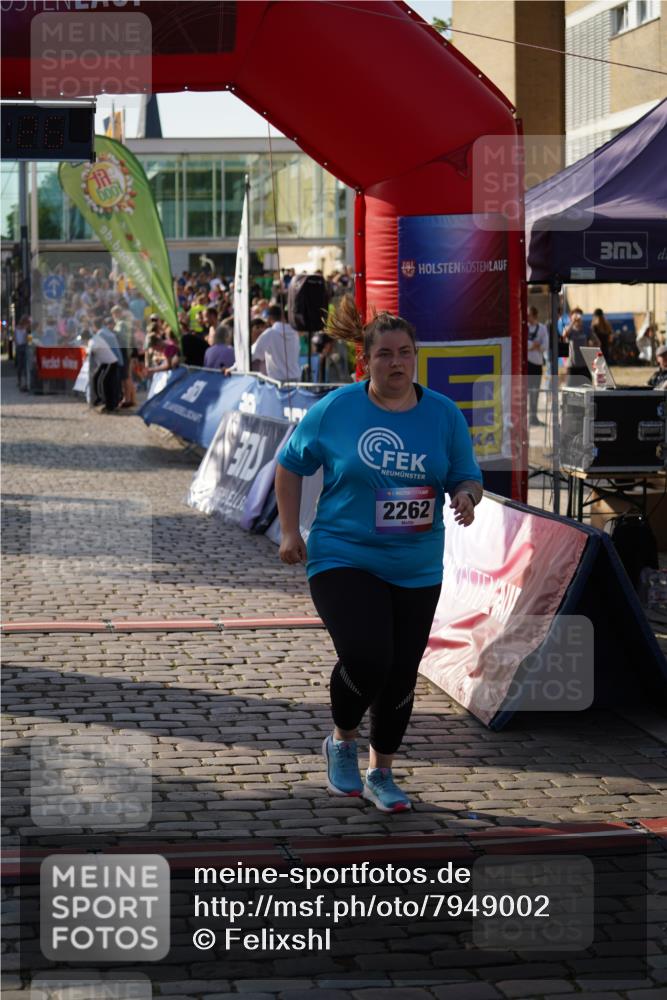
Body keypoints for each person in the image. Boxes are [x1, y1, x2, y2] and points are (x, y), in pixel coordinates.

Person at [275, 298, 483, 813]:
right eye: (385, 354)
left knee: (401, 674)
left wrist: (465, 496)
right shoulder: (337, 410)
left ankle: (382, 773)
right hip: (343, 555)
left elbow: (466, 474)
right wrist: (289, 532)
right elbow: (289, 463)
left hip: (416, 565)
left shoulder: (443, 414)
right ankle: (342, 741)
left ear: (416, 357)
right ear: (365, 360)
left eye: (405, 353)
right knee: (369, 657)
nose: (396, 363)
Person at [251, 304, 301, 382]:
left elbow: (253, 353)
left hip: (277, 382)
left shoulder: (269, 333)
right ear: (283, 317)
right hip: (296, 379)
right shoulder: (295, 333)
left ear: (269, 318)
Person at [562, 307, 599, 387]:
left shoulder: (587, 329)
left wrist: (590, 347)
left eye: (579, 315)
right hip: (572, 365)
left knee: (587, 388)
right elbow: (564, 335)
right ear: (571, 317)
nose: (577, 317)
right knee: (570, 389)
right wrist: (572, 322)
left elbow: (598, 342)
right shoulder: (569, 329)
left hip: (585, 365)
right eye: (575, 315)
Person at [526, 306, 549, 425]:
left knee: (535, 391)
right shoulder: (524, 327)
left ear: (534, 315)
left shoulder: (542, 328)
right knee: (525, 391)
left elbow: (545, 345)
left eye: (529, 315)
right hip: (526, 364)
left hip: (537, 364)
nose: (526, 317)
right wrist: (532, 345)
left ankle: (533, 417)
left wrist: (535, 346)